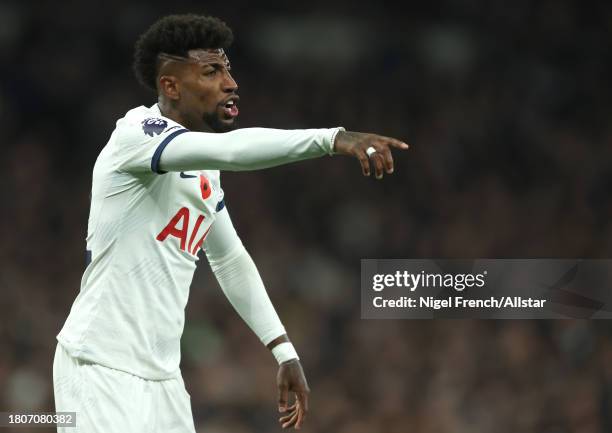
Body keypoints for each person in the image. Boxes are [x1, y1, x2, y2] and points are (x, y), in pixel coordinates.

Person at [52, 13, 409, 433]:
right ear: (170, 85)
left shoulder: (204, 170)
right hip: (99, 364)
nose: (230, 82)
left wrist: (282, 348)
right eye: (212, 71)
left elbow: (228, 258)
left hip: (163, 379)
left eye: (228, 68)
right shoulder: (137, 134)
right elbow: (234, 152)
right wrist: (332, 138)